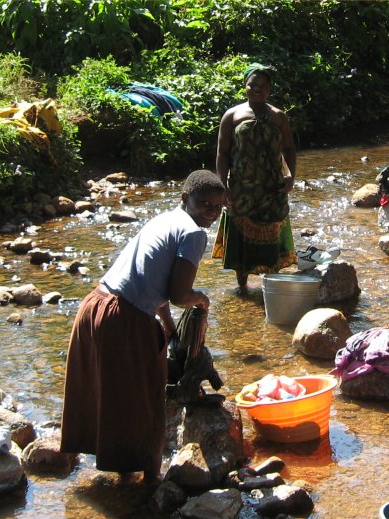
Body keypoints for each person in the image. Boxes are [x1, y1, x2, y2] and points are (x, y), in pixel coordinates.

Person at [60, 170, 226, 483]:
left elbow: (156, 279)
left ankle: (117, 470)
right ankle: (148, 480)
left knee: (105, 391)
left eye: (218, 207)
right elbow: (179, 295)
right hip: (123, 317)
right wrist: (201, 299)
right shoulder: (193, 234)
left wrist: (165, 324)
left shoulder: (163, 219)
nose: (211, 213)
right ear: (184, 199)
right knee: (144, 397)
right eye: (204, 204)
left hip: (94, 306)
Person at [213, 63, 297, 292]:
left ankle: (270, 288)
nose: (257, 89)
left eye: (263, 86)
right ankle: (243, 287)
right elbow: (222, 153)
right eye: (253, 84)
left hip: (273, 187)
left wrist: (291, 177)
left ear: (270, 90)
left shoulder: (279, 117)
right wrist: (223, 186)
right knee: (242, 237)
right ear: (245, 86)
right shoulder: (232, 115)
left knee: (272, 234)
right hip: (242, 188)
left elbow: (289, 149)